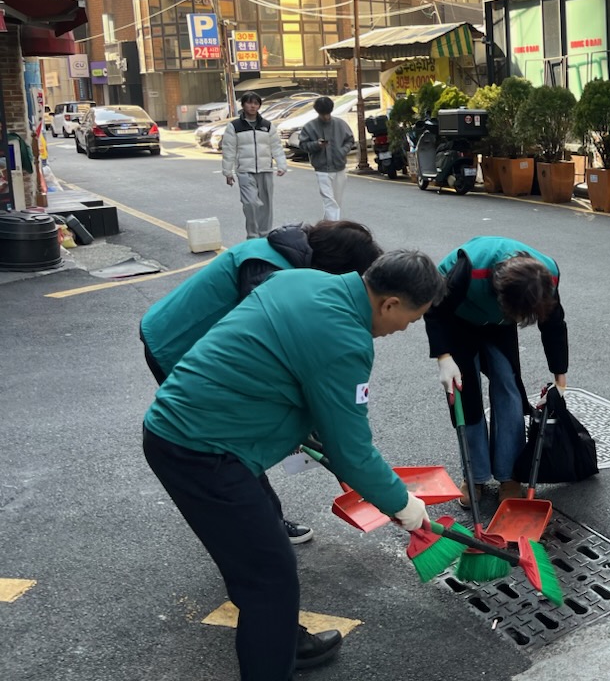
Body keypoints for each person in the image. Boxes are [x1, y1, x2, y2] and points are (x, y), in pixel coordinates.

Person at [143, 250, 444, 680]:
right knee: (270, 581)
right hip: (202, 451)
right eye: (412, 320)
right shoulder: (345, 340)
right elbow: (353, 451)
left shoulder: (301, 280)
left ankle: (282, 642)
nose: (403, 330)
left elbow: (274, 365)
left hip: (188, 428)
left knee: (261, 541)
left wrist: (323, 438)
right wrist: (405, 505)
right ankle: (271, 654)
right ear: (390, 303)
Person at [140, 220, 382, 544]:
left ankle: (263, 524)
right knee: (232, 447)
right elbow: (265, 361)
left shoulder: (293, 259)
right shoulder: (268, 273)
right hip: (175, 345)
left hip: (192, 342)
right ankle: (260, 528)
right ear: (335, 268)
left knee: (238, 447)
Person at [427, 236, 568, 507]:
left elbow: (553, 324)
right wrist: (444, 357)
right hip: (458, 319)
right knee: (465, 395)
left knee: (510, 389)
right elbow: (436, 310)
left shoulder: (545, 278)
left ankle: (510, 474)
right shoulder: (469, 270)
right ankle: (474, 476)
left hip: (500, 325)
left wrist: (559, 377)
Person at [222, 91, 287, 239]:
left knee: (266, 205)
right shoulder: (234, 126)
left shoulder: (267, 125)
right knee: (250, 203)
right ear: (243, 105)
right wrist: (228, 172)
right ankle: (252, 235)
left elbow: (276, 146)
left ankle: (264, 235)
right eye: (249, 103)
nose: (253, 106)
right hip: (245, 171)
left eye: (256, 103)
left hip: (265, 169)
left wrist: (281, 164)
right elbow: (229, 149)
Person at [298, 97, 356, 221]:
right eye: (322, 114)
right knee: (329, 201)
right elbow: (303, 145)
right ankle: (333, 228)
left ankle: (327, 226)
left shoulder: (340, 124)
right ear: (317, 112)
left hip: (339, 167)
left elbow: (350, 140)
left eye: (327, 114)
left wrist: (342, 151)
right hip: (322, 169)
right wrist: (316, 145)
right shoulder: (310, 126)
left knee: (336, 201)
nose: (326, 117)